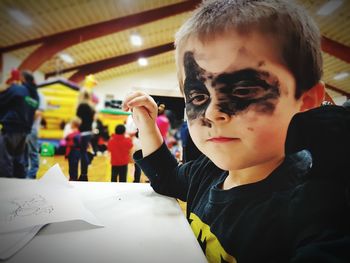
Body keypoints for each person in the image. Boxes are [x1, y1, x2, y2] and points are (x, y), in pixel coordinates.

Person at [122, 0, 350, 262]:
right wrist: (147, 125)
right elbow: (167, 178)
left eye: (242, 91)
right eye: (198, 96)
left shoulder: (316, 211)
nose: (210, 112)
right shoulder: (208, 171)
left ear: (306, 102)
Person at [0, 69, 38, 178]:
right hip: (25, 132)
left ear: (22, 78)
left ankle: (6, 190)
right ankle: (19, 186)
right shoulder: (35, 95)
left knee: (5, 162)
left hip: (11, 130)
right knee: (19, 162)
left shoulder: (17, 89)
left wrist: (6, 84)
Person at [21, 70, 46, 179]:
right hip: (23, 128)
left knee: (33, 153)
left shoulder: (39, 96)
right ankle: (24, 174)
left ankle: (31, 176)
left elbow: (39, 112)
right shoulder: (25, 94)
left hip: (32, 128)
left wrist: (27, 121)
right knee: (23, 153)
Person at [76, 90, 95, 181]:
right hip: (89, 132)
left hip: (83, 132)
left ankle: (83, 175)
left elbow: (78, 119)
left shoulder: (82, 106)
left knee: (82, 153)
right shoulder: (91, 107)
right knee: (85, 153)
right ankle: (84, 173)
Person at [65, 117, 82, 181]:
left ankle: (73, 180)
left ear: (74, 124)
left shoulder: (73, 135)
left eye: (71, 123)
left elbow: (69, 144)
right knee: (74, 167)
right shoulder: (78, 134)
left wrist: (67, 154)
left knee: (72, 168)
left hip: (73, 152)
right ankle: (73, 179)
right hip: (76, 152)